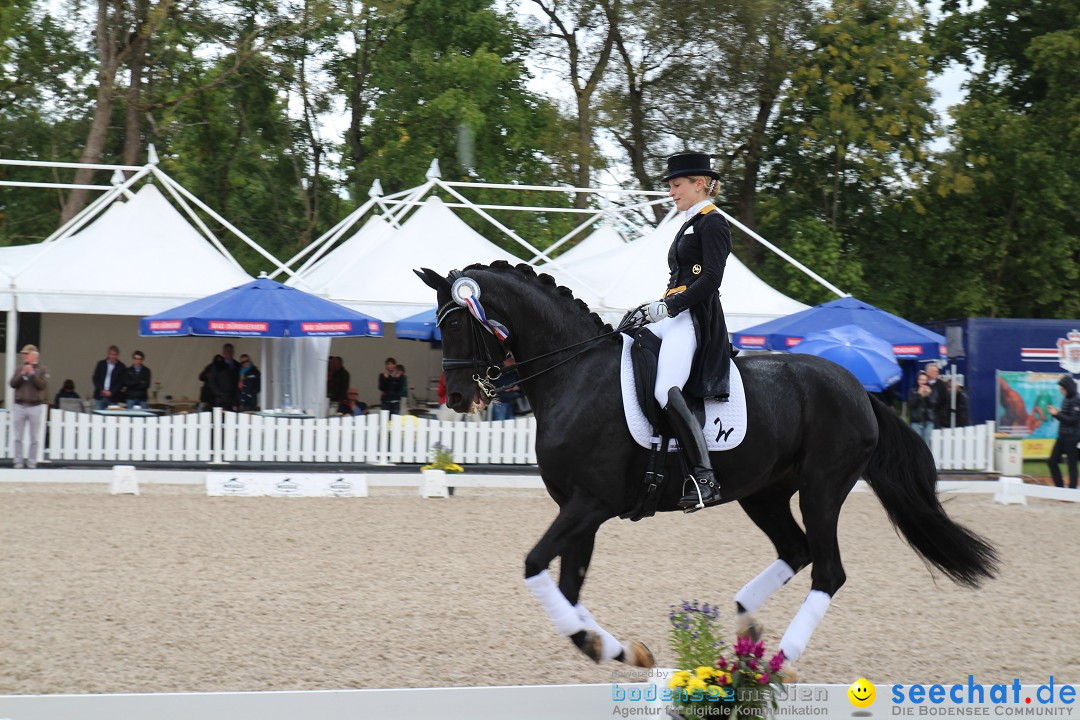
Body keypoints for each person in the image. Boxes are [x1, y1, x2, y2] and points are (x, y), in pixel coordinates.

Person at [641, 152, 731, 510]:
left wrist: (672, 306)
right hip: (675, 315)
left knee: (665, 388)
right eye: (670, 186)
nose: (671, 193)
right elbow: (679, 278)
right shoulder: (687, 222)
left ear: (699, 184)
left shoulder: (713, 223)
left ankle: (704, 477)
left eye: (676, 185)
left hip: (696, 319)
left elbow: (710, 279)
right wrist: (655, 308)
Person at [9, 344, 49, 469]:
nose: (23, 356)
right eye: (23, 354)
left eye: (26, 354)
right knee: (18, 437)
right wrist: (22, 374)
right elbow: (12, 384)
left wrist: (32, 374)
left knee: (34, 438)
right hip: (20, 405)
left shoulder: (42, 369)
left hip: (35, 406)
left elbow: (42, 385)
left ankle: (32, 463)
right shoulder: (19, 368)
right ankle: (18, 462)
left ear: (34, 355)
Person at [1046, 375, 1080, 490]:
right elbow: (1065, 417)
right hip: (1062, 437)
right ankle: (1060, 488)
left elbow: (1073, 420)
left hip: (1072, 438)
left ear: (1068, 387)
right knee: (1052, 462)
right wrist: (1056, 413)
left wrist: (1057, 414)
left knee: (1072, 466)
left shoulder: (1077, 399)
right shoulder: (1066, 398)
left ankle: (1071, 492)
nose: (1061, 391)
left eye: (1062, 389)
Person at [91, 345, 126, 409]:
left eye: (114, 355)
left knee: (112, 417)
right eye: (111, 354)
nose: (113, 357)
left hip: (113, 397)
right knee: (98, 416)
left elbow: (121, 382)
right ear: (108, 354)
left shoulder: (121, 366)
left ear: (117, 355)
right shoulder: (101, 364)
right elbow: (95, 378)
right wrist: (102, 390)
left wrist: (112, 392)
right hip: (100, 396)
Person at [907, 371, 935, 444]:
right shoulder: (912, 391)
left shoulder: (931, 390)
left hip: (928, 421)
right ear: (917, 380)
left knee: (927, 443)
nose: (922, 382)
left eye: (924, 380)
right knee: (917, 443)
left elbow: (932, 405)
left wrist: (928, 395)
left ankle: (927, 455)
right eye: (921, 380)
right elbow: (912, 405)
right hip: (916, 421)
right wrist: (919, 395)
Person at [492, 356, 521, 422]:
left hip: (511, 403)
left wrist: (517, 387)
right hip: (500, 403)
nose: (512, 362)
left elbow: (520, 384)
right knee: (498, 425)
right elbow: (495, 386)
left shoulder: (514, 372)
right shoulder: (498, 373)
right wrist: (506, 388)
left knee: (510, 426)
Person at [220, 343, 241, 410]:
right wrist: (219, 393)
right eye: (227, 351)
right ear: (223, 353)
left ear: (233, 352)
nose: (229, 353)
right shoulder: (217, 365)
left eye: (231, 351)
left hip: (234, 398)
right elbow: (212, 381)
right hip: (221, 398)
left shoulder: (238, 365)